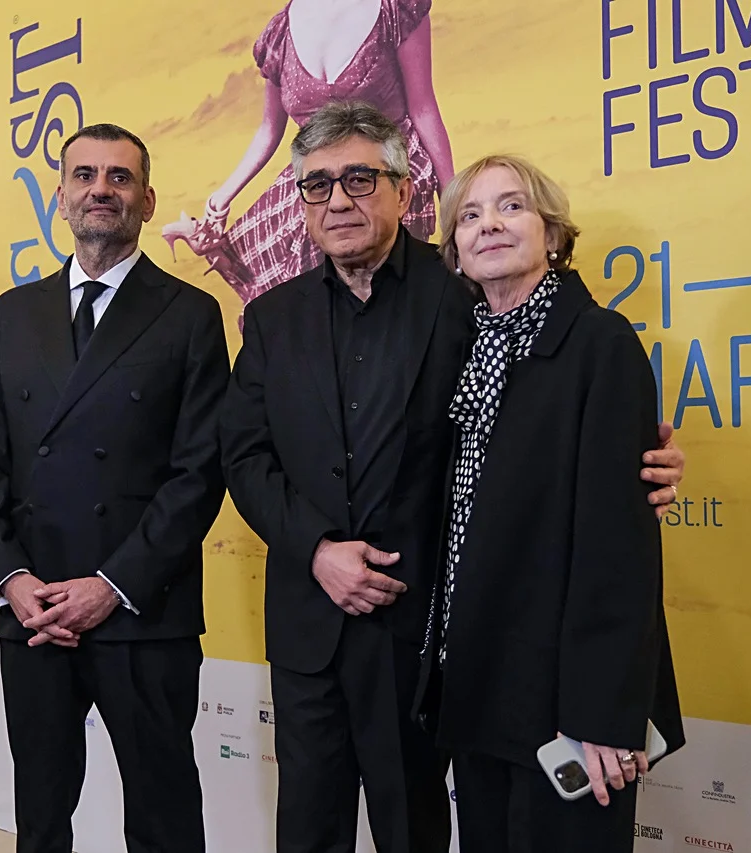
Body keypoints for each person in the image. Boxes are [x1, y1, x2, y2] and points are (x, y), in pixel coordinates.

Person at [219, 101, 685, 853]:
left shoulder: (466, 297)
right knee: (306, 826)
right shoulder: (272, 317)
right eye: (318, 185)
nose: (339, 201)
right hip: (310, 625)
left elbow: (543, 421)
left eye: (360, 179)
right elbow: (243, 454)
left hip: (426, 632)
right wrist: (316, 550)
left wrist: (641, 464)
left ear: (404, 190)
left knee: (417, 828)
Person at [0, 124, 230, 853]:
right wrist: (12, 580)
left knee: (163, 817)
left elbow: (199, 472)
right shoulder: (11, 315)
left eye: (119, 177)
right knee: (41, 816)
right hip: (36, 609)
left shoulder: (190, 315)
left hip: (144, 609)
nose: (100, 190)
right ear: (61, 196)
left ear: (147, 199)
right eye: (84, 175)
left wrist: (112, 585)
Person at [415, 155, 685, 852]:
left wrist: (601, 715)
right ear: (454, 250)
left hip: (564, 702)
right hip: (477, 684)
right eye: (470, 215)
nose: (489, 225)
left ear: (553, 234)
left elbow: (618, 550)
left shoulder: (600, 344)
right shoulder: (467, 348)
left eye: (511, 206)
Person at [161, 0, 453, 307]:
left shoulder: (393, 9)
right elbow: (269, 130)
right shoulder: (278, 36)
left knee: (385, 298)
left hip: (386, 174)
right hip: (320, 182)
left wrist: (454, 203)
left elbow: (424, 109)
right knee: (306, 301)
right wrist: (220, 199)